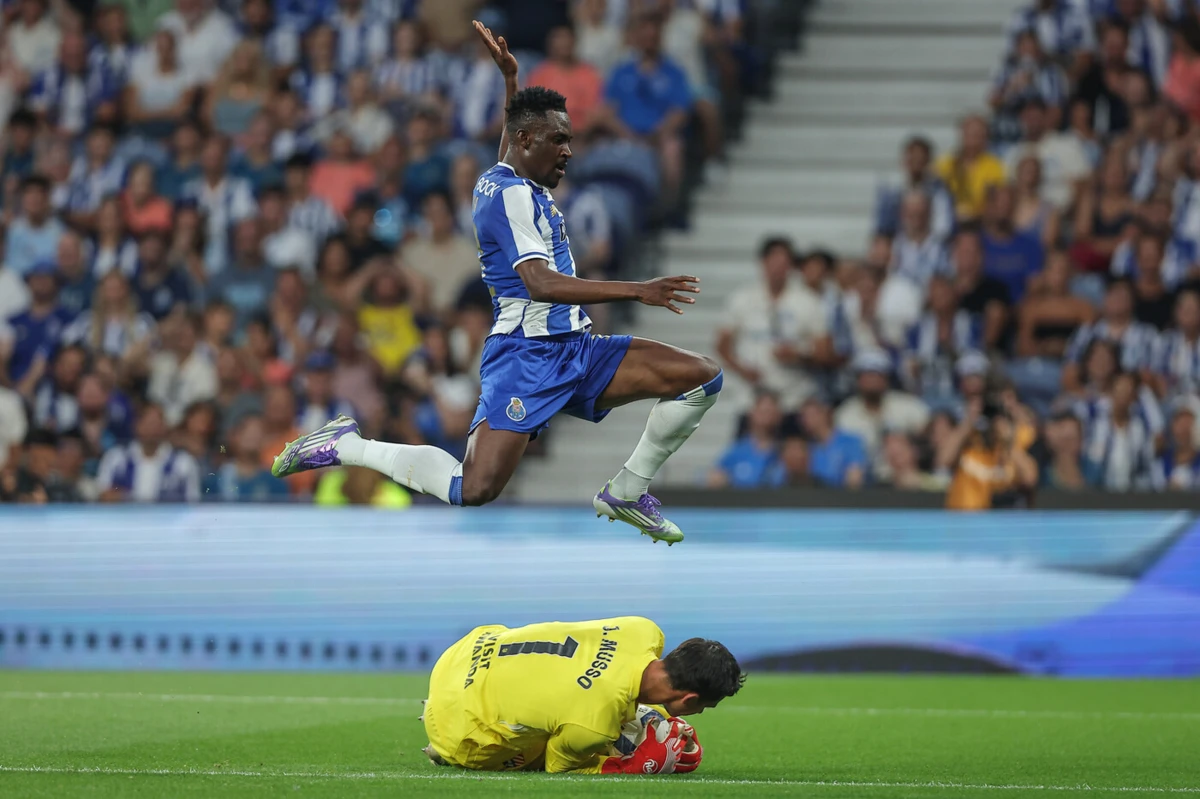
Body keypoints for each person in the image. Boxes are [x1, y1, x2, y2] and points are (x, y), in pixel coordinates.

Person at [273, 23, 720, 545]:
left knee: (700, 378)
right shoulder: (512, 196)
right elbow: (539, 283)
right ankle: (349, 446)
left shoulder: (507, 177)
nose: (569, 151)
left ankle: (626, 491)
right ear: (531, 140)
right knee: (475, 487)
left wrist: (511, 80)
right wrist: (636, 290)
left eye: (570, 140)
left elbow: (512, 143)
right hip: (527, 356)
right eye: (560, 139)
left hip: (575, 347)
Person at [421, 616, 741, 773]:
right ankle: (447, 749)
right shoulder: (596, 724)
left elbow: (604, 674)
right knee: (544, 745)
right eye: (704, 707)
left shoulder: (644, 630)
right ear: (688, 701)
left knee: (570, 708)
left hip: (465, 651)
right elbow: (557, 767)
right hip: (458, 726)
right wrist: (629, 763)